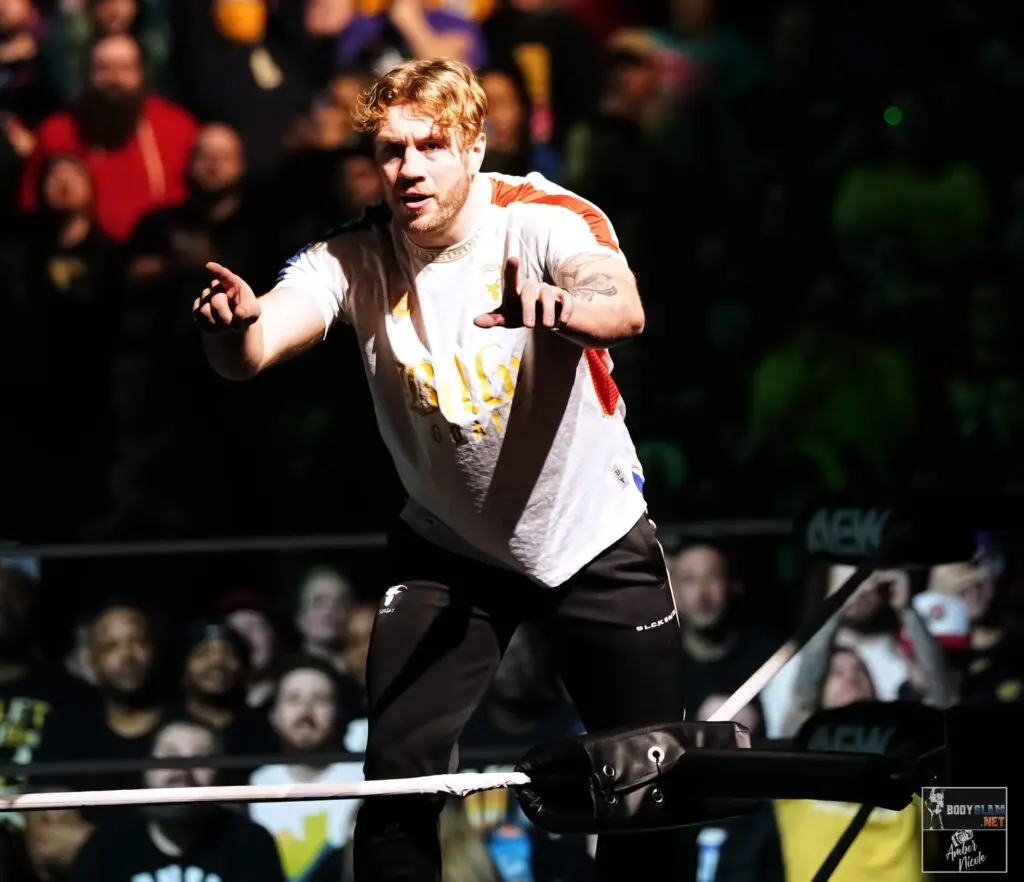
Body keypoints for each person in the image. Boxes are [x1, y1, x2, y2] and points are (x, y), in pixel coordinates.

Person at [193, 58, 684, 882]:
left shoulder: (540, 217)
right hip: (449, 549)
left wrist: (563, 308)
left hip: (590, 534)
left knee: (648, 786)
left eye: (431, 146)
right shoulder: (354, 255)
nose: (409, 168)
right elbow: (255, 346)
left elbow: (622, 305)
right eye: (391, 150)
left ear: (476, 146)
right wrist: (230, 328)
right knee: (397, 783)